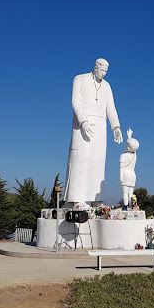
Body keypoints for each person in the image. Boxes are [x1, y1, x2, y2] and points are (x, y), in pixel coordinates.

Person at [64, 58, 122, 209]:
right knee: (81, 158)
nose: (104, 73)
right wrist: (83, 121)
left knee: (98, 161)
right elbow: (75, 101)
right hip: (83, 123)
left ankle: (96, 198)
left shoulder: (107, 86)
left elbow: (111, 107)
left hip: (101, 126)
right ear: (95, 67)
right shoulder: (80, 79)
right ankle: (76, 199)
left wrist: (116, 127)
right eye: (102, 70)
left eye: (106, 71)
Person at [119, 129, 139, 210]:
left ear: (127, 147)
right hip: (133, 174)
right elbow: (133, 148)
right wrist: (129, 137)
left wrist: (120, 177)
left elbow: (121, 168)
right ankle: (132, 206)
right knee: (131, 193)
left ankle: (125, 206)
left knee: (125, 192)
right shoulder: (135, 155)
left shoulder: (123, 155)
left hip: (125, 174)